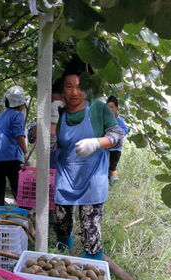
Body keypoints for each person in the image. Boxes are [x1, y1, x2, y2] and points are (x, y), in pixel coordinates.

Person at [51, 56, 124, 260]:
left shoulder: (99, 109)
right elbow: (44, 142)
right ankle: (62, 254)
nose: (75, 92)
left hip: (93, 176)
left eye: (80, 86)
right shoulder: (58, 110)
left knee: (90, 226)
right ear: (62, 89)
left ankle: (92, 264)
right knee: (60, 220)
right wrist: (51, 119)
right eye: (69, 86)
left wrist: (97, 143)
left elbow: (118, 136)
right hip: (66, 175)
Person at [0, 85, 28, 206]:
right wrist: (26, 152)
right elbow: (19, 135)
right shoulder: (18, 115)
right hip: (11, 157)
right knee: (18, 189)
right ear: (21, 103)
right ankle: (25, 214)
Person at [106, 95, 129, 183]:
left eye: (112, 107)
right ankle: (108, 183)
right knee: (105, 166)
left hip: (116, 149)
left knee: (112, 166)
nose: (110, 109)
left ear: (116, 108)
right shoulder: (105, 119)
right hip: (106, 148)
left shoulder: (119, 119)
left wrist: (116, 134)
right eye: (108, 107)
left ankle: (114, 184)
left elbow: (125, 130)